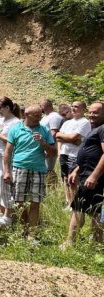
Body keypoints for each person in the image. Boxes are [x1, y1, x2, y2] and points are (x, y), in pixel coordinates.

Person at [2, 105, 57, 237]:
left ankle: (32, 235)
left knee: (35, 202)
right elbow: (8, 152)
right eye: (36, 115)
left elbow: (54, 152)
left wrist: (43, 143)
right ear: (27, 115)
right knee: (18, 202)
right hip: (19, 167)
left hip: (38, 169)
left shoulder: (44, 130)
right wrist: (6, 171)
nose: (40, 118)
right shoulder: (15, 129)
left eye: (40, 115)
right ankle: (23, 230)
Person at [63, 102, 104, 247]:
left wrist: (94, 176)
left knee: (79, 208)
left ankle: (70, 243)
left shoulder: (103, 129)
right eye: (91, 112)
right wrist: (76, 170)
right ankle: (97, 242)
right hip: (87, 174)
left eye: (96, 112)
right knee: (94, 210)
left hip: (93, 177)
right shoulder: (96, 129)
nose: (92, 115)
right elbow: (90, 154)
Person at [0, 97, 21, 225]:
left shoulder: (16, 122)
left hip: (7, 156)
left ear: (7, 108)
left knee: (5, 182)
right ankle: (0, 211)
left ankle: (8, 214)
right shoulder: (0, 120)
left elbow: (12, 141)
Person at [56, 101, 91, 206]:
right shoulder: (67, 122)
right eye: (72, 106)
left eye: (76, 106)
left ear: (83, 109)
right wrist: (69, 140)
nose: (73, 108)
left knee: (73, 180)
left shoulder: (84, 122)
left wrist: (66, 137)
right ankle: (68, 201)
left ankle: (74, 204)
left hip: (75, 154)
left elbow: (74, 138)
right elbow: (57, 136)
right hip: (64, 153)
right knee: (65, 178)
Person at [41, 99, 64, 184]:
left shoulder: (54, 116)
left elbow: (53, 133)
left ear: (49, 106)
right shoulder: (46, 117)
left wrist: (48, 148)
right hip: (44, 145)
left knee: (49, 169)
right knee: (45, 169)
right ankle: (49, 188)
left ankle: (52, 189)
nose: (41, 108)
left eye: (42, 105)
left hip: (50, 146)